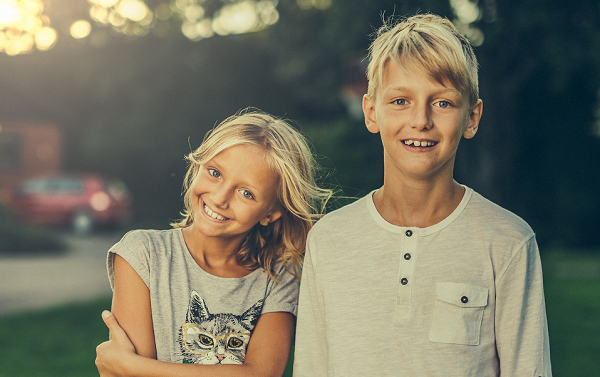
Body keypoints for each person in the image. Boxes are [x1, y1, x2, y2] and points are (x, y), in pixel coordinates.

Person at [293, 13, 552, 377]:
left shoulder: (507, 241)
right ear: (371, 112)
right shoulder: (328, 241)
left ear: (472, 118)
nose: (421, 120)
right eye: (400, 101)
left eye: (442, 103)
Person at [95, 110, 332, 377]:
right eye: (215, 172)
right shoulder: (143, 254)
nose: (220, 198)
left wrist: (129, 366)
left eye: (246, 193)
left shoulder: (278, 279)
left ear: (270, 213)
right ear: (198, 165)